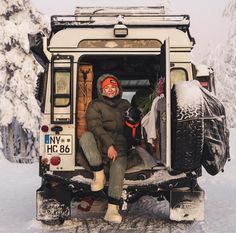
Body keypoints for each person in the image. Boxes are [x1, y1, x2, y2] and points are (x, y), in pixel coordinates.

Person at [79, 74, 130, 223]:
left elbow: (130, 127)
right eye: (106, 87)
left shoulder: (125, 104)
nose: (110, 90)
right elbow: (95, 126)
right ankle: (99, 175)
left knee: (119, 167)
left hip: (120, 144)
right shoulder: (95, 105)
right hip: (100, 141)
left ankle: (112, 209)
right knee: (85, 137)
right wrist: (109, 145)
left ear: (118, 88)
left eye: (113, 87)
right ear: (101, 90)